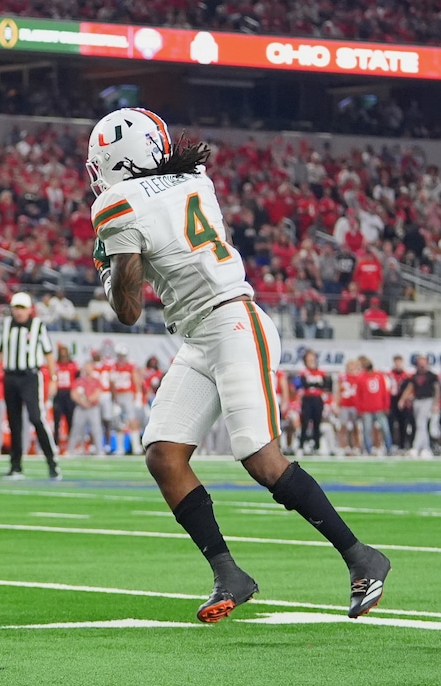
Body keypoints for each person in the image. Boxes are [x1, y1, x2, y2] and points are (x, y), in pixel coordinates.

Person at [87, 107, 389, 622]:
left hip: (231, 322)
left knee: (260, 457)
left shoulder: (118, 203)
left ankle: (361, 557)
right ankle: (229, 572)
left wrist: (112, 269)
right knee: (164, 454)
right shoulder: (193, 178)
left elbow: (129, 309)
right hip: (202, 334)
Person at [0, 292, 60, 480]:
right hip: (10, 376)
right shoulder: (5, 325)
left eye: (22, 308)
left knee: (36, 418)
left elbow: (48, 354)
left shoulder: (38, 326)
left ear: (30, 309)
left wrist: (53, 378)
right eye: (16, 307)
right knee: (14, 423)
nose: (19, 311)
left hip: (30, 376)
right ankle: (16, 467)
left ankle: (52, 462)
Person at [398, 355, 440, 458]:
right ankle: (425, 448)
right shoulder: (415, 376)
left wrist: (436, 403)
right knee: (421, 425)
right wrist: (403, 399)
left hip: (427, 400)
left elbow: (437, 390)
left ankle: (416, 447)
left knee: (421, 424)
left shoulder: (432, 376)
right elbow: (410, 387)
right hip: (417, 401)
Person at [294, 350, 330, 455]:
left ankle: (317, 445)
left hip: (317, 399)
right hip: (307, 399)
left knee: (317, 422)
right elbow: (303, 384)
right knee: (305, 421)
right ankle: (302, 444)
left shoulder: (321, 372)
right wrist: (315, 384)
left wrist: (314, 385)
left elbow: (324, 385)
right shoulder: (303, 372)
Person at [50, 346, 78, 453]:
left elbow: (77, 379)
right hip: (59, 393)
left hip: (69, 394)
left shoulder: (73, 365)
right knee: (57, 421)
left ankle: (71, 445)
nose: (63, 356)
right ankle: (56, 443)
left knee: (70, 420)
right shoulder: (56, 365)